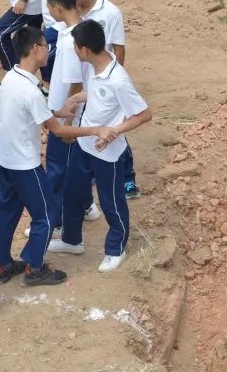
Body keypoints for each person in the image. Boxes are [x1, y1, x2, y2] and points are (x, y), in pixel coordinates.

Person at [0, 26, 113, 287]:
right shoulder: (31, 90)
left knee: (9, 212)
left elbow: (35, 112)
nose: (49, 51)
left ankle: (3, 263)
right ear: (35, 49)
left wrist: (58, 110)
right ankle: (34, 267)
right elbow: (57, 131)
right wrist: (94, 129)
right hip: (25, 164)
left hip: (5, 159)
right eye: (46, 46)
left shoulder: (12, 78)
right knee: (46, 211)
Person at [49, 21, 152, 272]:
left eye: (75, 46)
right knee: (73, 192)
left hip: (108, 152)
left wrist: (114, 131)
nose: (73, 49)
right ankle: (71, 240)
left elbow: (143, 114)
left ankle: (116, 248)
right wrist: (79, 96)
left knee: (110, 200)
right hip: (84, 145)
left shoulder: (118, 80)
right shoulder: (95, 67)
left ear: (84, 49)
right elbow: (98, 95)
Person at [60, 0, 139, 199]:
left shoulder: (110, 12)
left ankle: (127, 177)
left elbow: (118, 49)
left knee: (115, 131)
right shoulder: (73, 14)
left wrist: (113, 80)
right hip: (86, 82)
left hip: (104, 83)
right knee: (92, 129)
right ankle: (95, 171)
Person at [41, 0, 98, 224]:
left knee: (57, 168)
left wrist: (67, 122)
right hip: (74, 111)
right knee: (74, 164)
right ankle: (86, 205)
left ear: (56, 7)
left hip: (68, 114)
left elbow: (75, 84)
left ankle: (54, 221)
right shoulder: (81, 29)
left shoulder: (69, 41)